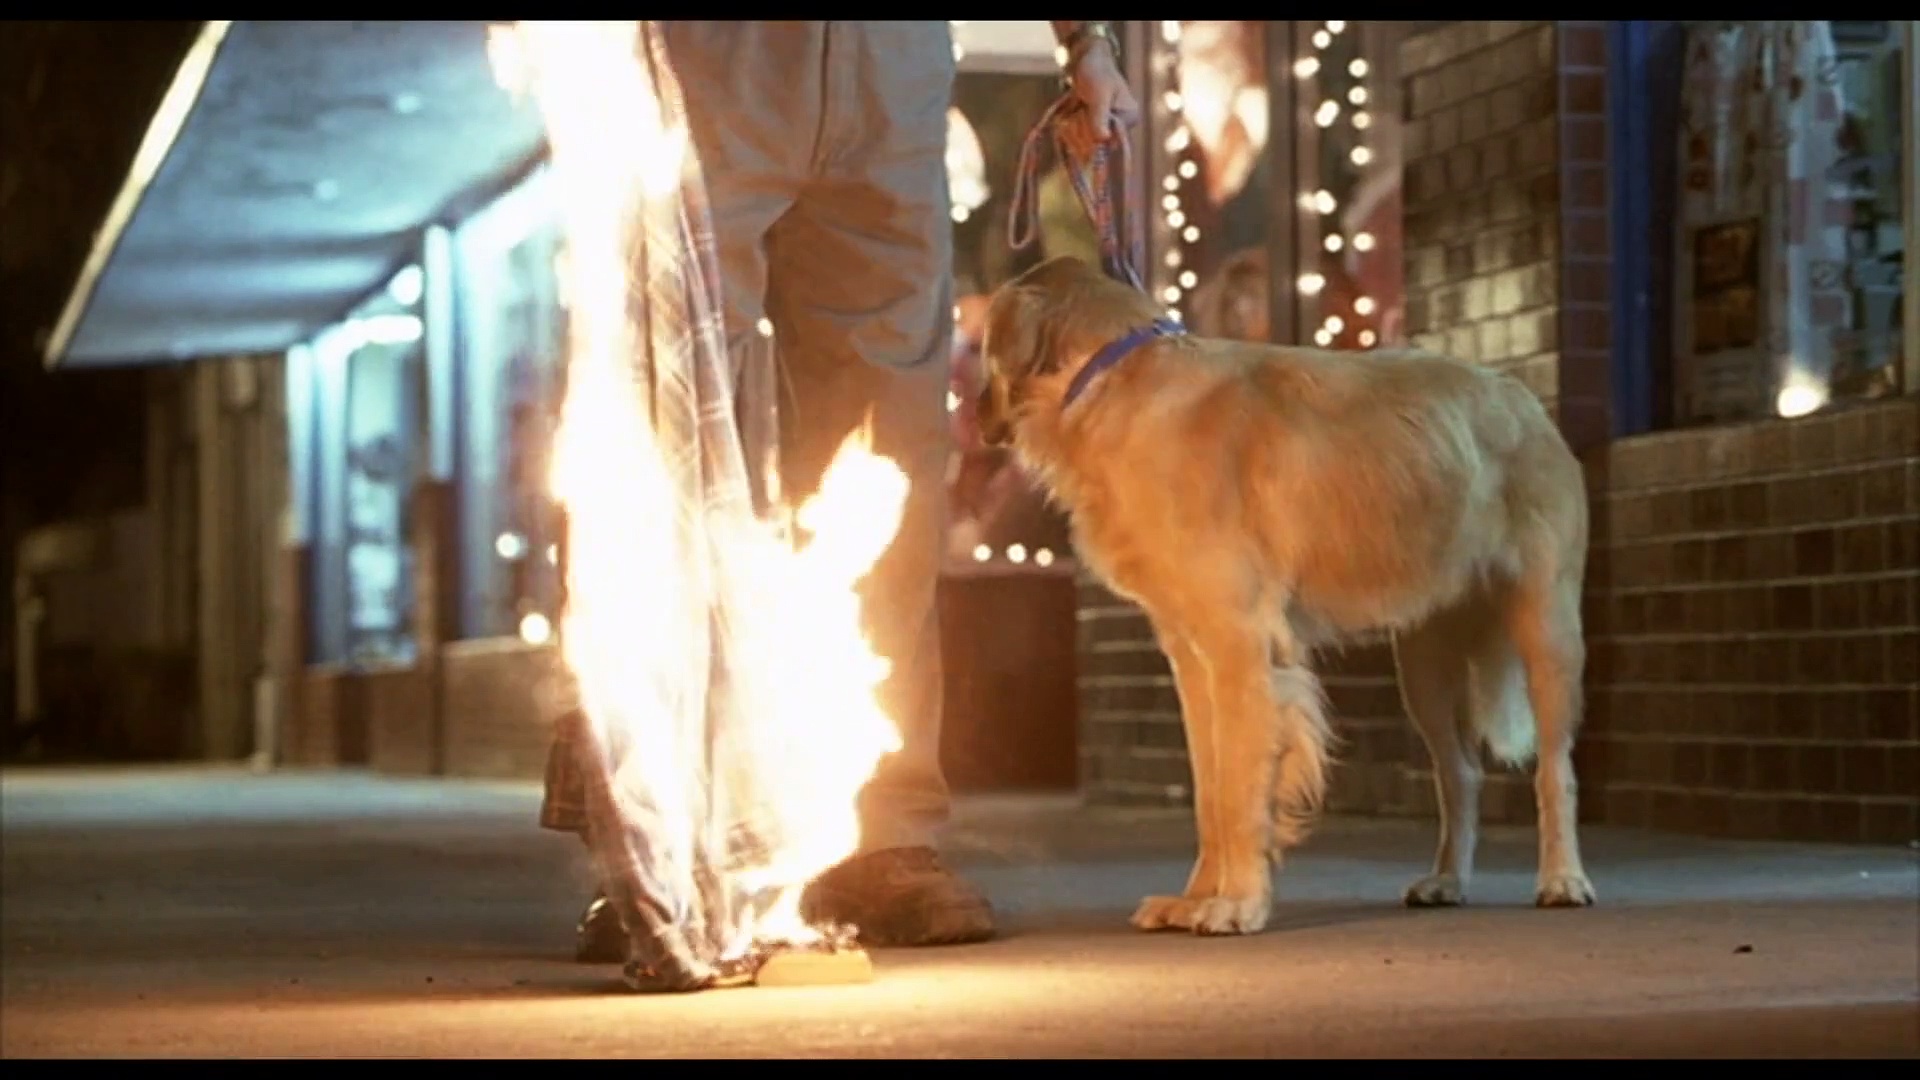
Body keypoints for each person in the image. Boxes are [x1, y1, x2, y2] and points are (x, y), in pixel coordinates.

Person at [541, 20, 1141, 963]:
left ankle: (880, 830)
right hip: (700, 60)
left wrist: (1086, 42)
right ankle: (657, 841)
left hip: (886, 67)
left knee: (887, 458)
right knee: (666, 447)